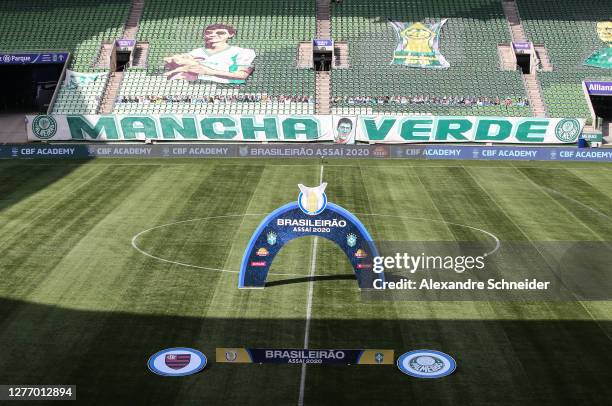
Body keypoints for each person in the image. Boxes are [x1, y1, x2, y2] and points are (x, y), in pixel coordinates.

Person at [164, 24, 256, 84]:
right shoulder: (195, 52)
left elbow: (242, 75)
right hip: (194, 86)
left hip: (224, 87)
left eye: (220, 33)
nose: (213, 35)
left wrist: (209, 72)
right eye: (209, 33)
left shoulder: (242, 52)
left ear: (230, 34)